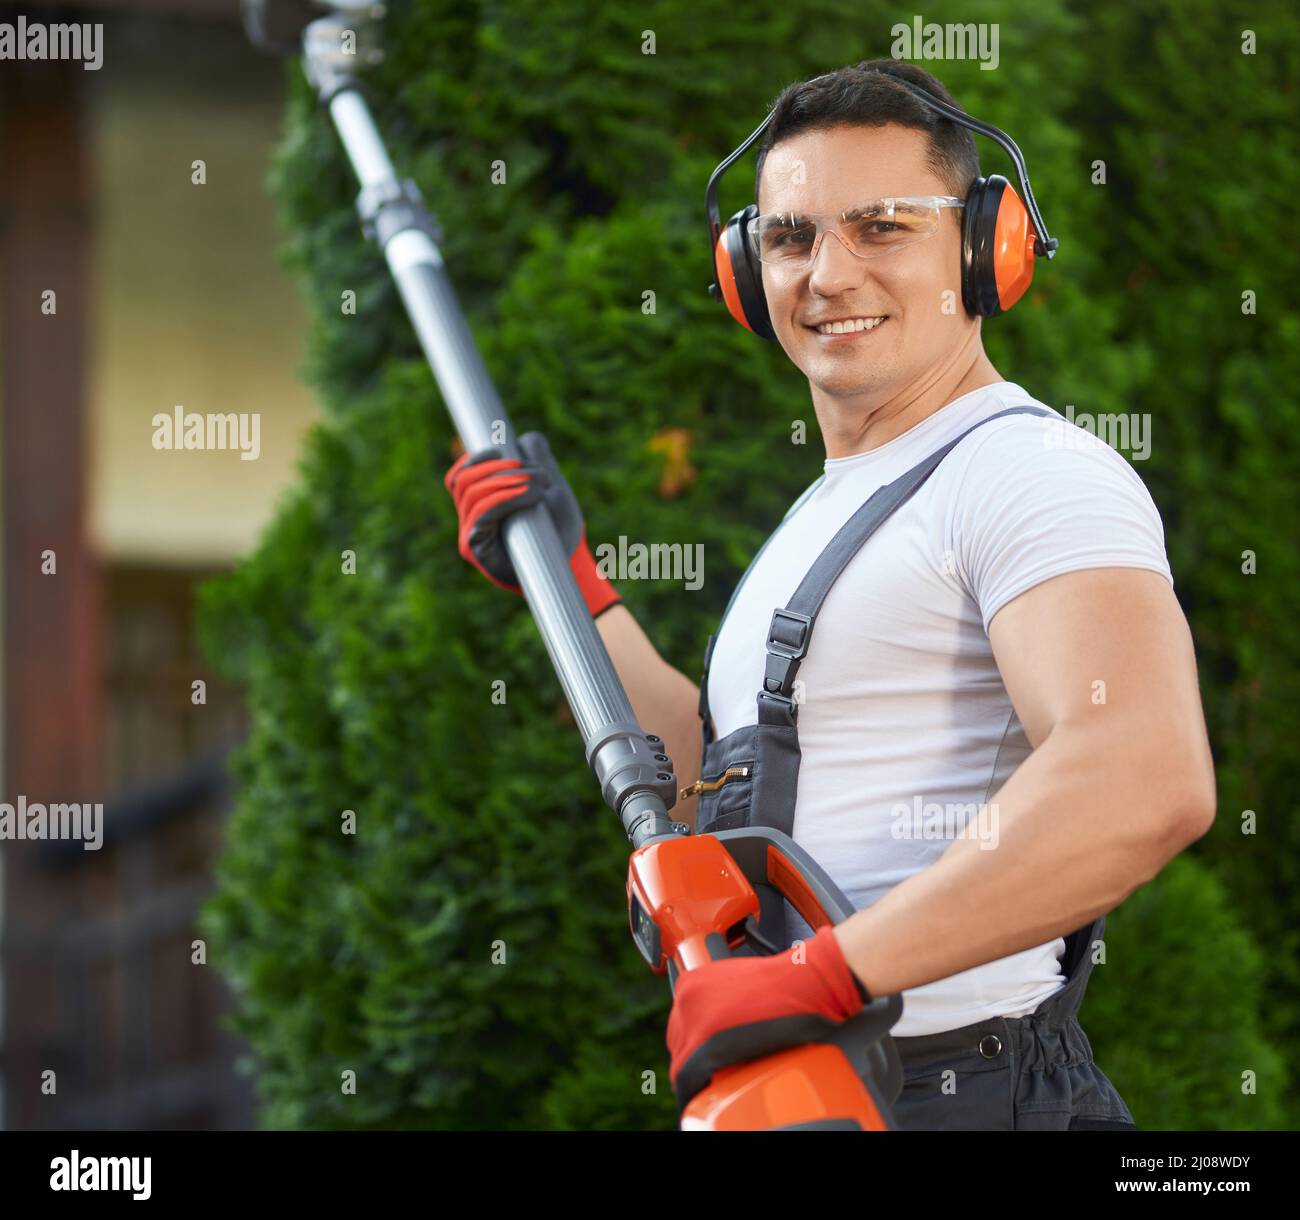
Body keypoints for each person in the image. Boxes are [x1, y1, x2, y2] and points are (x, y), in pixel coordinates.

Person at [444, 60, 1216, 1131]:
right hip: (825, 1087)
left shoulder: (1028, 472)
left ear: (985, 245)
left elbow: (1140, 773)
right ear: (741, 270)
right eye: (791, 236)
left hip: (971, 1093)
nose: (827, 272)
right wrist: (573, 591)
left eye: (883, 226)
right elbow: (700, 797)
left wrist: (825, 975)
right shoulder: (833, 509)